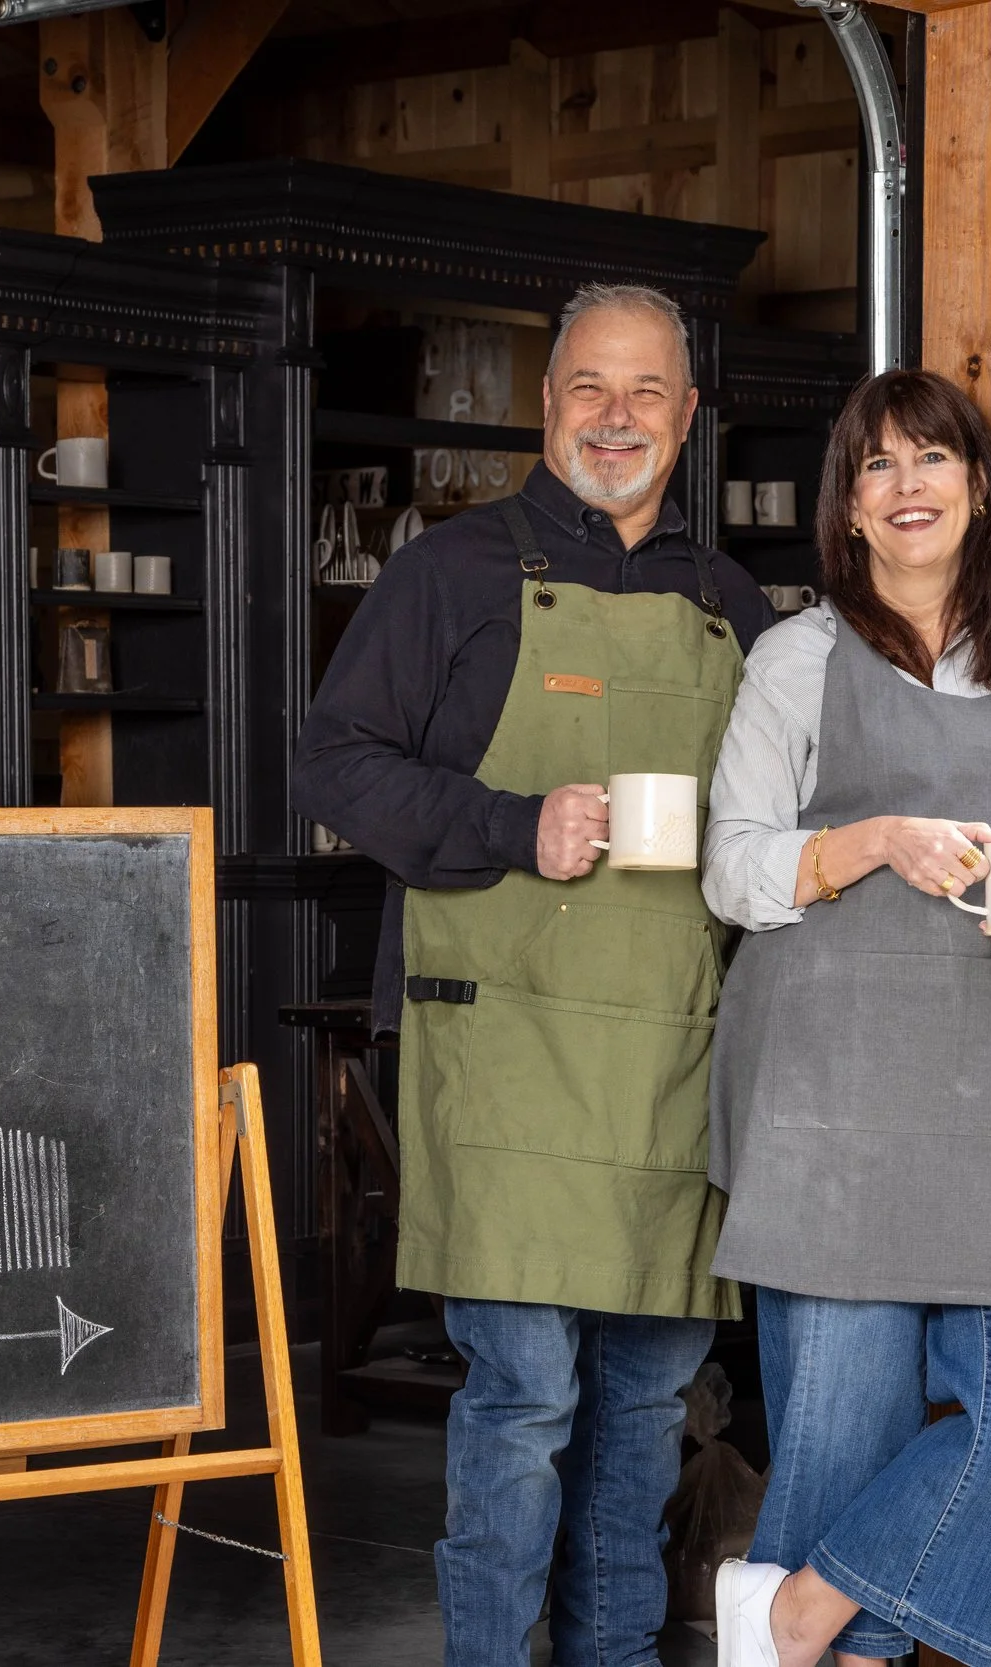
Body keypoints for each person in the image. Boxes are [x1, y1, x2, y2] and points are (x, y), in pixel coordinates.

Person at [292, 282, 775, 1667]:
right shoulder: (447, 574)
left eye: (644, 394)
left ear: (687, 419)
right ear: (547, 402)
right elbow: (333, 763)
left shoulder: (728, 605)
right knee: (523, 1398)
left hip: (668, 1060)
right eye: (586, 388)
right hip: (503, 1049)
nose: (613, 418)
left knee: (643, 1408)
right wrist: (515, 823)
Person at [699, 368, 991, 1667]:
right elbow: (733, 864)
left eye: (931, 460)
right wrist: (872, 842)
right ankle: (815, 1636)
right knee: (841, 1452)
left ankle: (788, 1616)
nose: (906, 487)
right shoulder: (797, 658)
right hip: (834, 1101)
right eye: (877, 467)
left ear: (978, 488)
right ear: (846, 508)